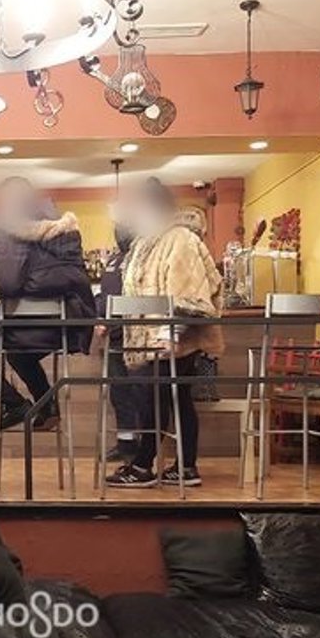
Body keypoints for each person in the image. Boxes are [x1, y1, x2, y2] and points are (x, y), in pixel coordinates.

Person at [107, 178, 223, 488]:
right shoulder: (148, 241)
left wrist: (170, 332)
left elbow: (187, 291)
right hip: (154, 336)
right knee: (172, 398)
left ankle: (144, 465)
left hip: (169, 337)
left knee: (155, 398)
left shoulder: (178, 238)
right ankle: (184, 466)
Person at [0, 177, 95, 431]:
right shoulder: (65, 228)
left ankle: (14, 405)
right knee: (19, 356)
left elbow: (7, 284)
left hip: (25, 323)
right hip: (68, 325)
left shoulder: (12, 226)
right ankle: (47, 406)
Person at [97, 206, 140, 462]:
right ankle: (126, 444)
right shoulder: (114, 259)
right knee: (119, 393)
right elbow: (105, 296)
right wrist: (100, 318)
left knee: (139, 392)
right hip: (115, 335)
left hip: (137, 334)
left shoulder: (143, 257)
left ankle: (144, 445)